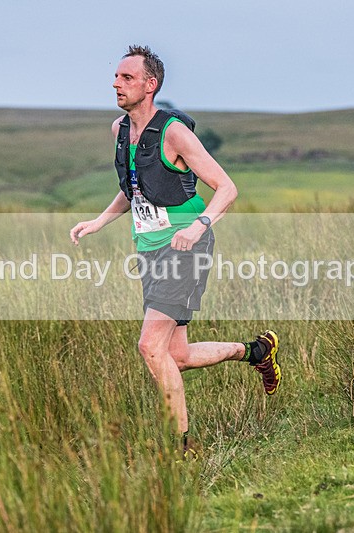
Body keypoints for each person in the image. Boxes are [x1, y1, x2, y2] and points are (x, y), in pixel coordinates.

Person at [70, 45, 280, 456]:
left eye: (127, 78)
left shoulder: (174, 133)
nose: (116, 83)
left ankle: (180, 448)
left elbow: (227, 188)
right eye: (116, 76)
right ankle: (257, 351)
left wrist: (200, 226)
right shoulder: (119, 131)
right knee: (177, 355)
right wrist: (98, 221)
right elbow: (135, 187)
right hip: (149, 249)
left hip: (186, 247)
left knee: (150, 347)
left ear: (151, 85)